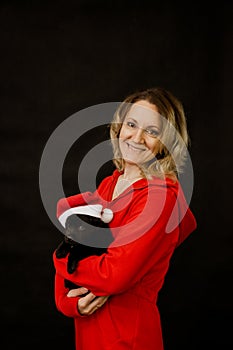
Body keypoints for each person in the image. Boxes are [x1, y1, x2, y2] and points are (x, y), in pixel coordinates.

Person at [53, 87, 197, 350]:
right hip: (90, 327)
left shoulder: (160, 197)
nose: (137, 137)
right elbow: (77, 243)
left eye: (152, 132)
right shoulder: (110, 184)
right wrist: (70, 303)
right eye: (131, 124)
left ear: (166, 142)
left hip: (126, 334)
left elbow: (115, 276)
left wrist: (60, 258)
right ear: (119, 127)